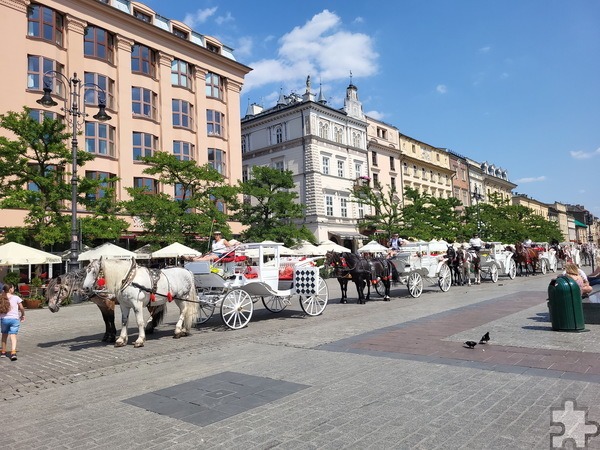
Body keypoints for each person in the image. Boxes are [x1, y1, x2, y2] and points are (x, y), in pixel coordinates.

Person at [0, 283, 25, 361]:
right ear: (10, 289)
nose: (14, 289)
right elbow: (21, 307)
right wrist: (23, 315)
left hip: (4, 319)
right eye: (13, 288)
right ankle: (13, 352)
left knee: (4, 335)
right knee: (13, 335)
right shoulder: (16, 297)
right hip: (14, 319)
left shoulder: (1, 298)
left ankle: (3, 352)